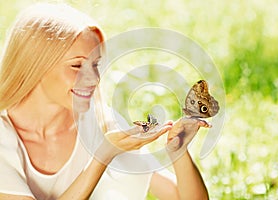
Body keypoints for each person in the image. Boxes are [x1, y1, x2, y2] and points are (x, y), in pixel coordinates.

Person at [0, 3, 209, 200]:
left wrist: (178, 151)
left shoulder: (98, 122)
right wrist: (102, 156)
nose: (94, 78)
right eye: (76, 66)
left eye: (96, 64)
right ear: (35, 66)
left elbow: (180, 196)